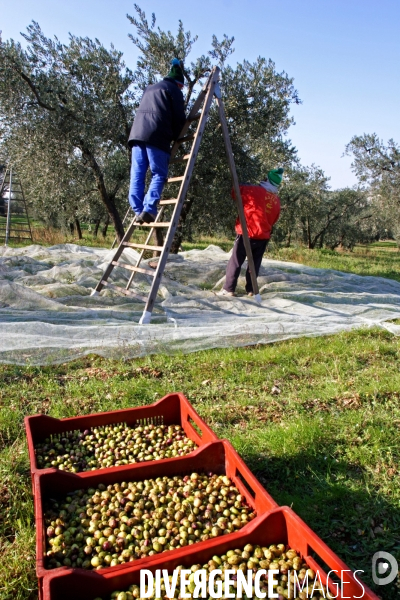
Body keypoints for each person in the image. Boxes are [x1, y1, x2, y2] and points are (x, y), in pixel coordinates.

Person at [127, 58, 187, 224]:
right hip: (157, 135)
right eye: (181, 86)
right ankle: (149, 209)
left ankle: (138, 210)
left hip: (137, 135)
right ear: (178, 83)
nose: (181, 89)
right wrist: (177, 136)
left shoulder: (150, 89)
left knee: (137, 175)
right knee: (159, 173)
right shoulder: (174, 91)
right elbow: (179, 118)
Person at [219, 168, 283, 296]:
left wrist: (245, 185)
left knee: (236, 261)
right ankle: (251, 290)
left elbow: (235, 192)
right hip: (263, 236)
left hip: (247, 233)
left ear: (266, 179)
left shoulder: (253, 191)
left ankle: (228, 289)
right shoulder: (276, 201)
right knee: (254, 266)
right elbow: (274, 219)